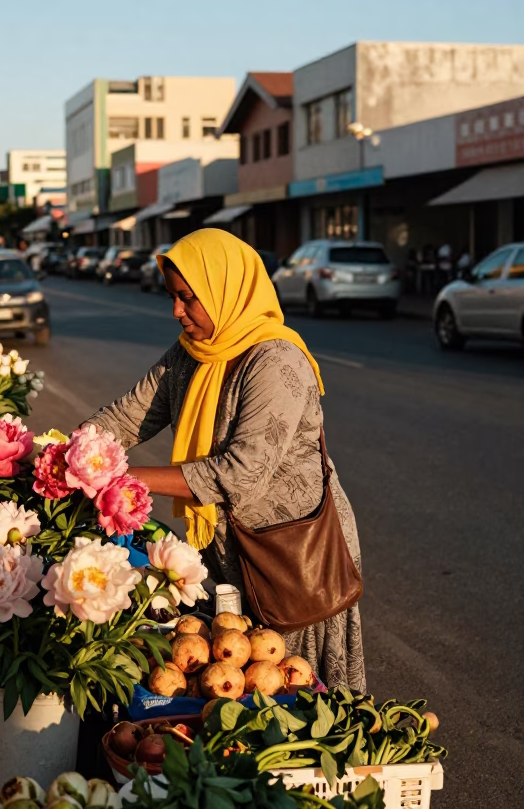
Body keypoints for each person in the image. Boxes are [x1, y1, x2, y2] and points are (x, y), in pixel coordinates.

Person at [81, 229, 365, 691]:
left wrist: (122, 477)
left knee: (289, 686)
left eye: (188, 298)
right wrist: (68, 457)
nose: (177, 311)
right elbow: (126, 417)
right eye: (173, 298)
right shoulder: (190, 354)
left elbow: (242, 473)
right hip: (229, 550)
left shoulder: (276, 361)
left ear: (225, 289)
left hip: (292, 557)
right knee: (233, 687)